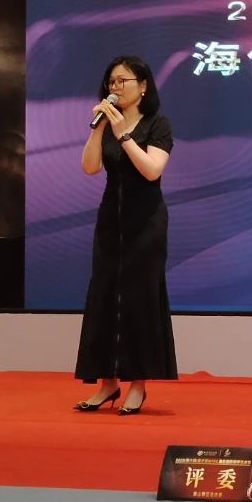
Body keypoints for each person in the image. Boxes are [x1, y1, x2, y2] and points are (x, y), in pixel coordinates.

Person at [73, 56, 177, 414]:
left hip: (146, 221)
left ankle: (137, 385)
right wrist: (98, 128)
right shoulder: (107, 123)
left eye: (123, 81)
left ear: (143, 86)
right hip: (110, 221)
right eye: (111, 82)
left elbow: (152, 170)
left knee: (139, 298)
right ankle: (106, 383)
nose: (115, 88)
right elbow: (90, 167)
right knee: (104, 295)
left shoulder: (157, 124)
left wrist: (124, 136)